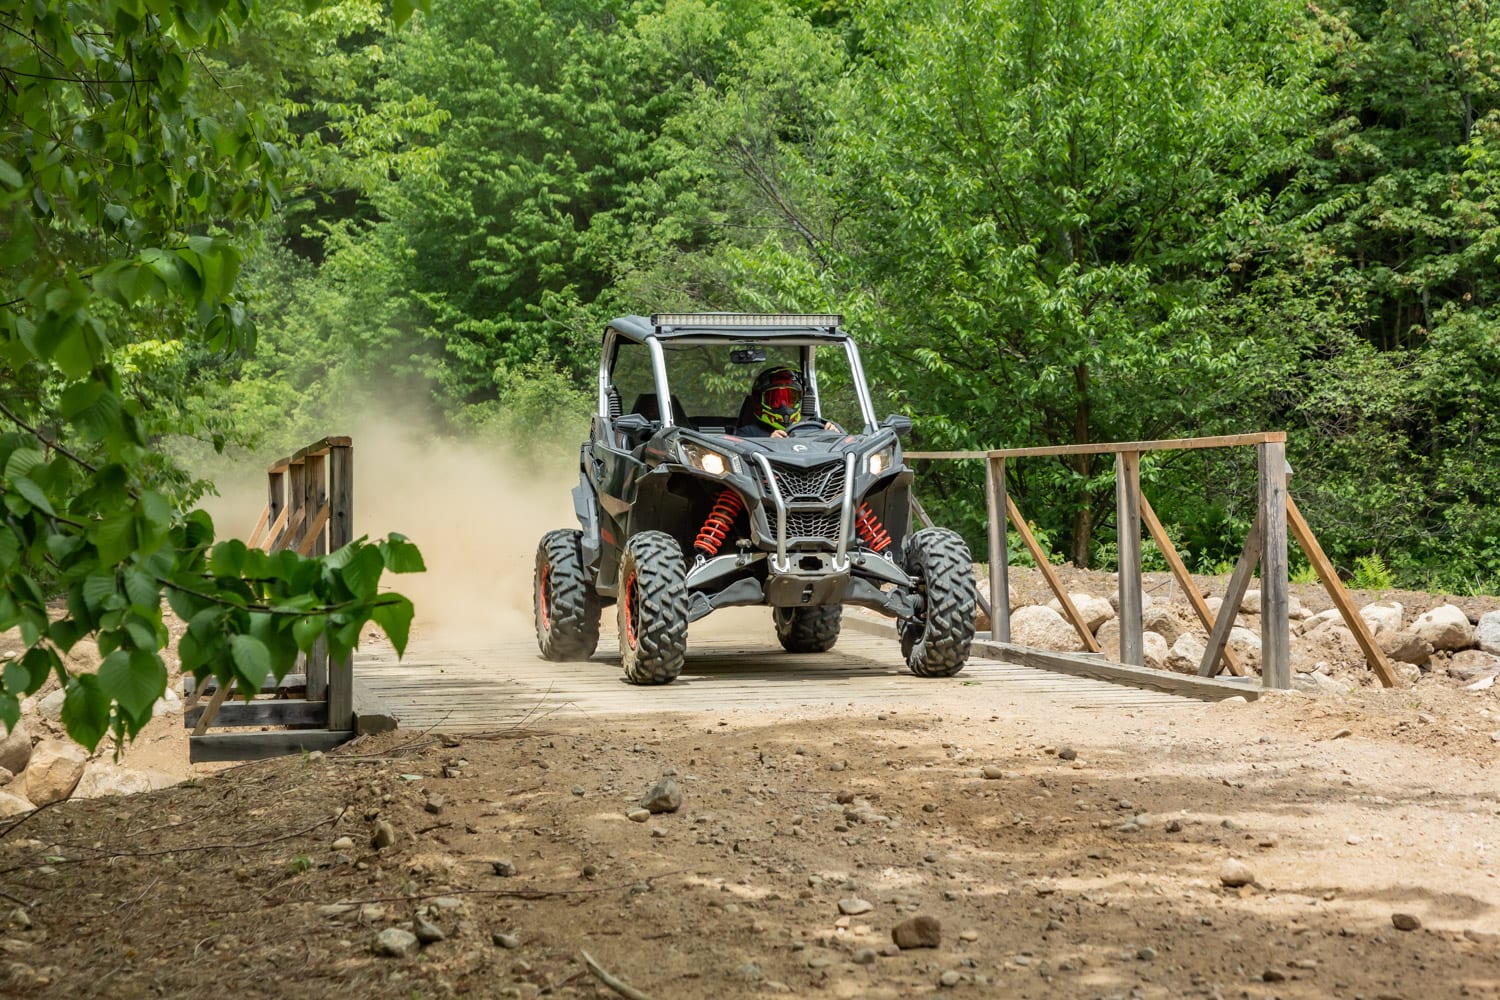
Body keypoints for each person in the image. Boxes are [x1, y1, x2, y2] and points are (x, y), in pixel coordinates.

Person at [737, 365, 837, 438]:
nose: (784, 406)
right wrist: (769, 441)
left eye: (790, 399)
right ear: (760, 402)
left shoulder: (813, 427)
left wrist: (833, 435)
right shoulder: (747, 434)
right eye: (775, 399)